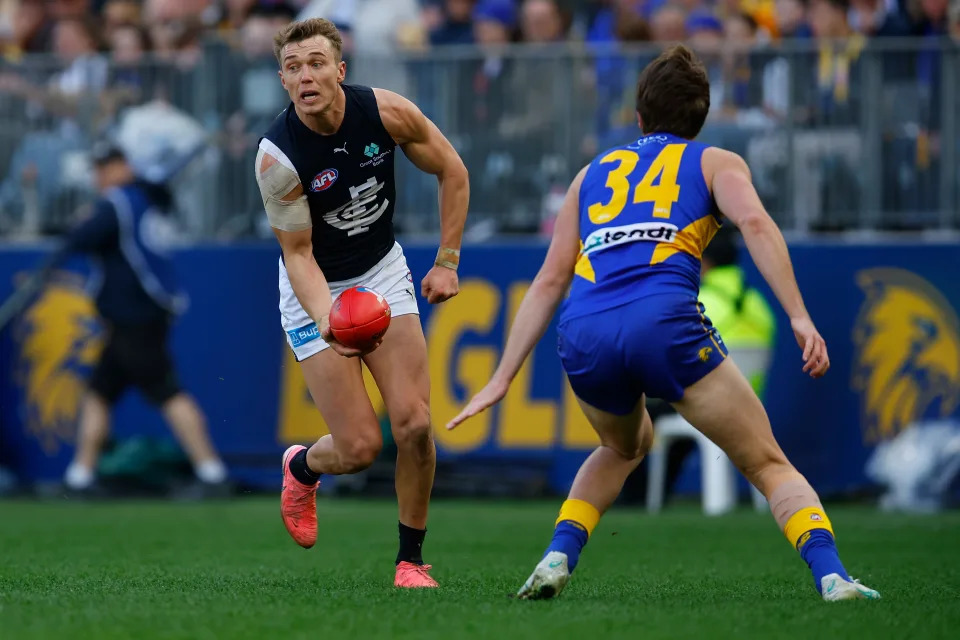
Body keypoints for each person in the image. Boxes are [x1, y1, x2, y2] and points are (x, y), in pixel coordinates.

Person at [447, 45, 880, 602]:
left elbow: (550, 280)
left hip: (586, 331)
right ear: (701, 118)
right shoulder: (715, 162)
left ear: (638, 116)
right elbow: (754, 221)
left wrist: (504, 375)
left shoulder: (590, 173)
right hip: (663, 322)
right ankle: (833, 578)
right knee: (769, 465)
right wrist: (798, 316)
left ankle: (557, 556)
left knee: (625, 447)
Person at [255, 18, 469, 588]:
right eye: (294, 67)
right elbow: (298, 255)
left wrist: (446, 261)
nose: (307, 76)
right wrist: (328, 318)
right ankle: (301, 467)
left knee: (415, 425)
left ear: (340, 70)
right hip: (314, 289)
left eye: (317, 63)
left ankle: (411, 560)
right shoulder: (277, 158)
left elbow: (453, 170)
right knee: (357, 449)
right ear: (282, 79)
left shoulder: (386, 112)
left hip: (380, 271)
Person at [56, 142, 228, 497]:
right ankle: (80, 476)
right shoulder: (145, 199)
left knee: (167, 391)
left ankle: (212, 472)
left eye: (106, 167)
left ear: (122, 166)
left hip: (135, 317)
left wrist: (80, 221)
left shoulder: (118, 203)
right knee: (99, 392)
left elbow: (80, 239)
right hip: (134, 318)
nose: (99, 176)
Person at [631, 226, 776, 505]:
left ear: (702, 260)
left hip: (705, 399)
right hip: (748, 404)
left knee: (635, 412)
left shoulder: (696, 302)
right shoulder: (759, 306)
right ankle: (652, 494)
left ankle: (635, 498)